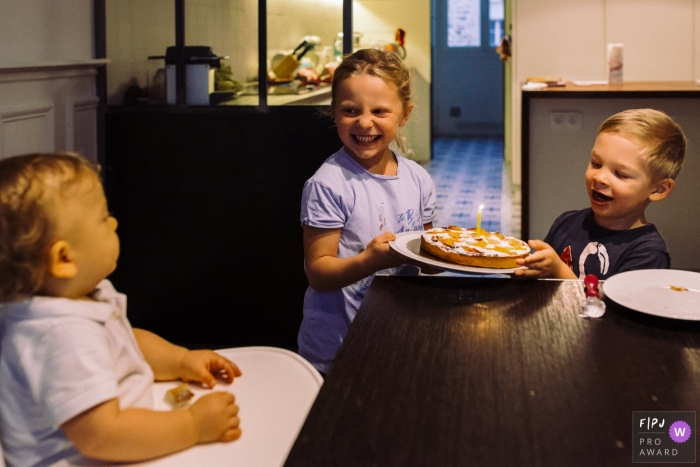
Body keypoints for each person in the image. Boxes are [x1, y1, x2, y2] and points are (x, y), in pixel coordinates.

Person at [0, 152, 242, 467]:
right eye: (103, 217)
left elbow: (123, 341)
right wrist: (193, 426)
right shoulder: (59, 335)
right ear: (64, 259)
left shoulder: (82, 295)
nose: (113, 221)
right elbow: (101, 435)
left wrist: (180, 359)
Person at [299, 48, 436, 374]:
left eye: (379, 111)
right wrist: (369, 261)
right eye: (350, 110)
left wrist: (450, 250)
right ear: (333, 111)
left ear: (404, 114)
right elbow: (318, 273)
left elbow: (430, 260)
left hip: (398, 337)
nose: (364, 122)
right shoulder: (329, 184)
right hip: (338, 349)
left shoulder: (418, 179)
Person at [515, 108, 686, 280]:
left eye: (620, 174)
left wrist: (559, 271)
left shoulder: (649, 253)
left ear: (659, 189)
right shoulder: (565, 223)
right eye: (596, 164)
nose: (599, 177)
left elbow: (613, 307)